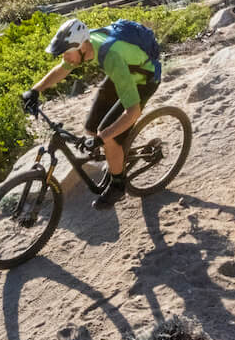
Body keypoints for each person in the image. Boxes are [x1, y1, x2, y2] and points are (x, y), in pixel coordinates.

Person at [21, 18, 161, 210]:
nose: (65, 58)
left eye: (67, 54)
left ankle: (118, 185)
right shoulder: (87, 44)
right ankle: (114, 156)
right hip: (122, 73)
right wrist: (35, 90)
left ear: (82, 47)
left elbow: (133, 112)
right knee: (91, 127)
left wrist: (103, 138)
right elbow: (63, 69)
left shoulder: (110, 56)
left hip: (144, 79)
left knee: (107, 134)